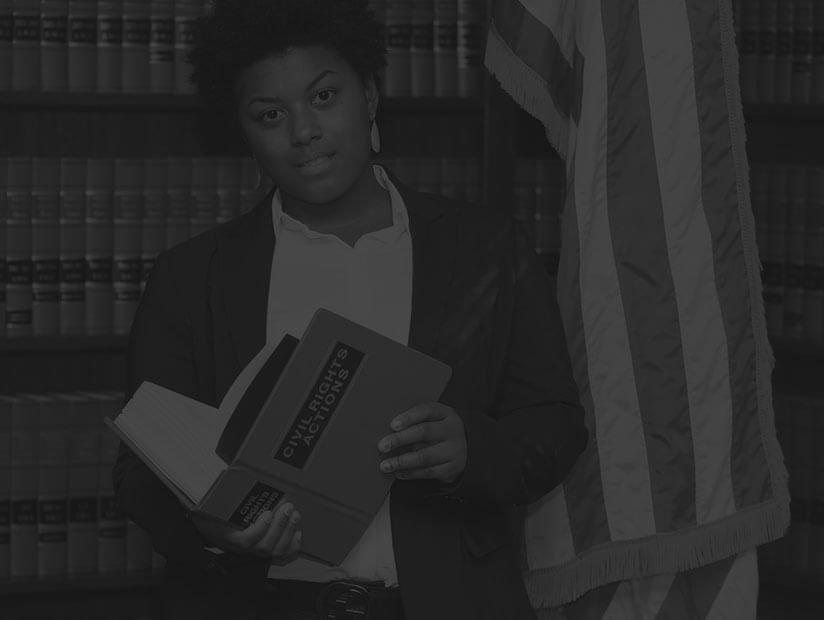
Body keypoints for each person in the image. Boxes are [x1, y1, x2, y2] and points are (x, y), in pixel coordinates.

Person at [112, 1, 588, 618]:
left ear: (368, 96)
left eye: (324, 96)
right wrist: (210, 528)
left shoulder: (486, 248)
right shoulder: (191, 275)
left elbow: (555, 425)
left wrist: (473, 447)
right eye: (270, 114)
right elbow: (140, 471)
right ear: (244, 131)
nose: (302, 131)